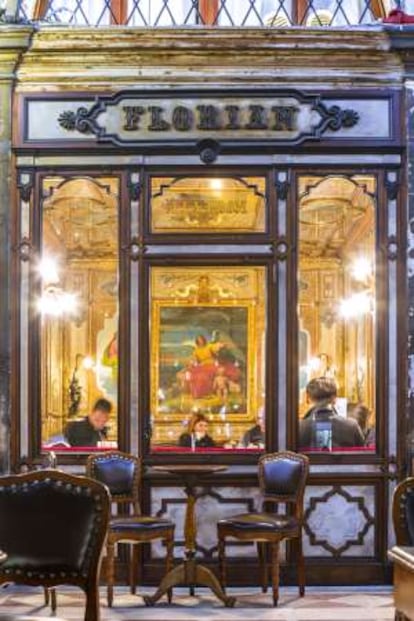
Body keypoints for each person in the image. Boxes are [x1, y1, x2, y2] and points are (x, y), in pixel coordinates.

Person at [299, 377, 365, 450]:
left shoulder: (298, 428)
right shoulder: (352, 426)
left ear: (308, 398)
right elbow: (365, 455)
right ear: (335, 399)